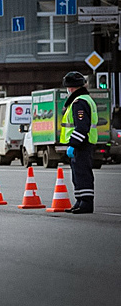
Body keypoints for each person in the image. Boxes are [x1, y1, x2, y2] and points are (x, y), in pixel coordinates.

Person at [60, 71, 97, 214]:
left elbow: (82, 127)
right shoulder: (85, 99)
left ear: (70, 88)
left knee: (82, 173)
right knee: (77, 173)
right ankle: (80, 201)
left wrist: (73, 144)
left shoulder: (79, 102)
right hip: (82, 143)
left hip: (82, 144)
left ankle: (86, 203)